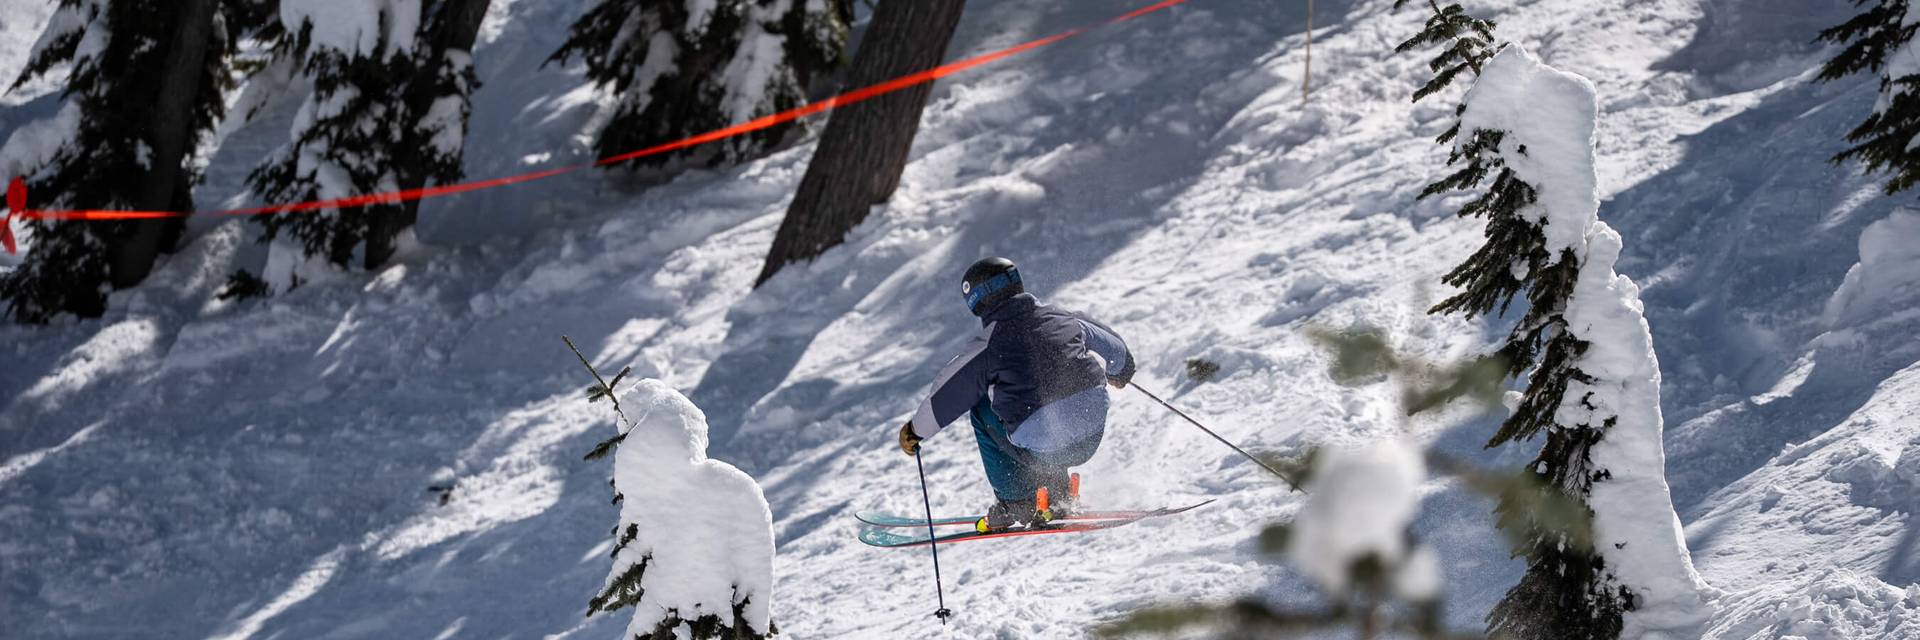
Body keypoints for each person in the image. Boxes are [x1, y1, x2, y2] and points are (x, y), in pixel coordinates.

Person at [896, 257, 1135, 533]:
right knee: (1042, 412)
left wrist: (914, 432)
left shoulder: (989, 344)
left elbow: (947, 396)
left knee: (983, 409)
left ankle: (1018, 500)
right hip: (1091, 436)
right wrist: (1120, 370)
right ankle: (1057, 494)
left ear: (975, 301)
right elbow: (1117, 351)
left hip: (1048, 450)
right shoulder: (1063, 317)